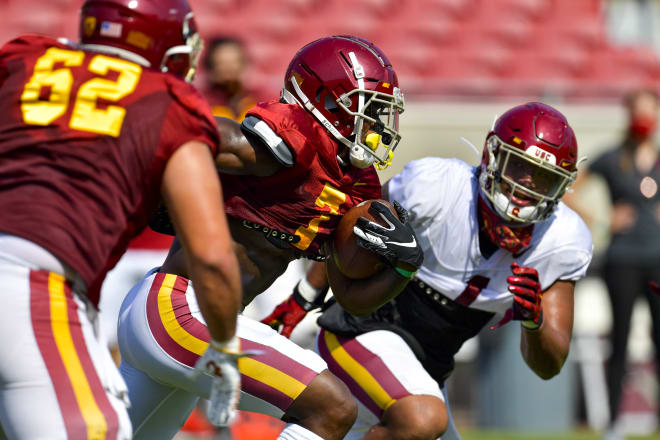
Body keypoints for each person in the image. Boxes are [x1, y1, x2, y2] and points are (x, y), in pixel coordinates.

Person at [117, 35, 422, 440]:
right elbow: (214, 138)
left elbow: (350, 296)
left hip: (189, 320)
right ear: (325, 101)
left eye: (383, 112)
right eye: (368, 109)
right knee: (332, 407)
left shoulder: (358, 184)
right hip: (180, 308)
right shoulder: (297, 133)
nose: (377, 125)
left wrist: (402, 266)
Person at [266, 102, 594, 439]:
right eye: (520, 167)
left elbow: (548, 366)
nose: (526, 188)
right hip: (360, 332)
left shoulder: (562, 241)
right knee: (423, 419)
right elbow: (354, 227)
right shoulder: (439, 186)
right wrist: (304, 296)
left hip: (424, 371)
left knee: (413, 419)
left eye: (542, 177)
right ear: (494, 156)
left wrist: (533, 322)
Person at [0, 0, 244, 438]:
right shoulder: (170, 101)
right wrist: (225, 345)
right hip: (31, 283)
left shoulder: (25, 56)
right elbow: (210, 255)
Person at [565, 88, 660, 440]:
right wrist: (603, 219)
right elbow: (569, 189)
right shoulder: (612, 158)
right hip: (622, 262)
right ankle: (615, 424)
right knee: (618, 340)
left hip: (657, 262)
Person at [201, 36, 263, 121]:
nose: (229, 69)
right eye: (222, 63)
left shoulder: (258, 100)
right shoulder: (202, 102)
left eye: (235, 62)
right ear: (211, 67)